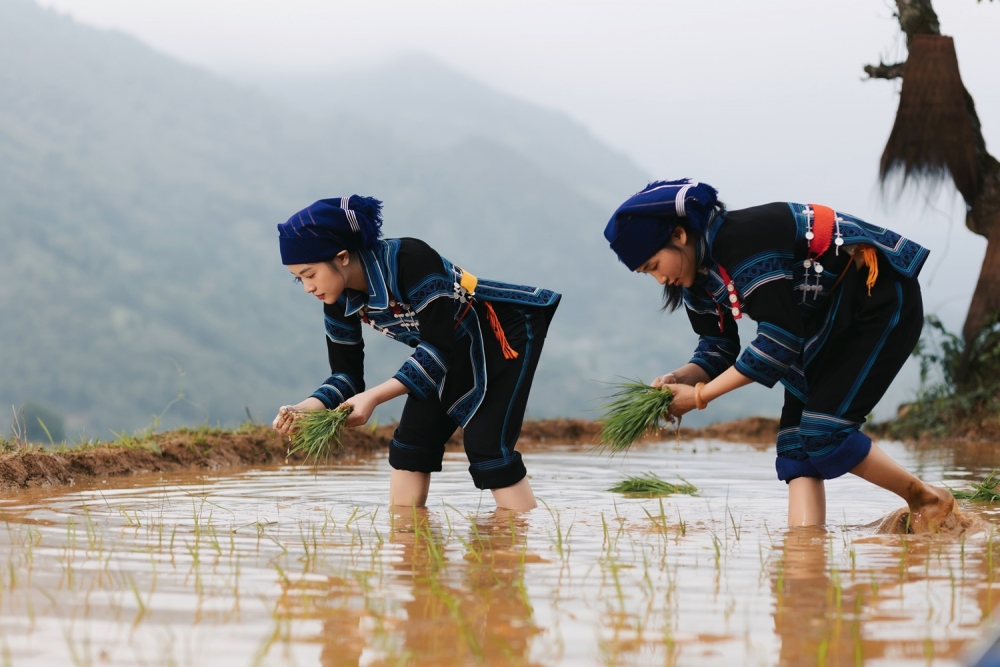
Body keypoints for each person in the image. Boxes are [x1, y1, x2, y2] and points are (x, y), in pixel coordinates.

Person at [603, 179, 956, 531]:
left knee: (822, 433)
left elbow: (779, 342)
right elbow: (717, 348)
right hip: (820, 323)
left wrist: (698, 397)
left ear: (679, 235)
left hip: (874, 301)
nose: (659, 280)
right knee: (796, 449)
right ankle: (804, 551)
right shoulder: (697, 281)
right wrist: (679, 379)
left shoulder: (741, 242)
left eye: (653, 265)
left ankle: (928, 500)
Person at [272, 196, 560, 511]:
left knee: (487, 447)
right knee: (411, 444)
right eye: (298, 278)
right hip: (444, 349)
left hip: (502, 333)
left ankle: (521, 545)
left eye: (310, 274)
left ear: (341, 257)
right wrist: (302, 409)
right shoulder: (337, 301)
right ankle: (408, 547)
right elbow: (346, 376)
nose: (307, 288)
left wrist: (374, 398)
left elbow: (437, 347)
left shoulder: (411, 259)